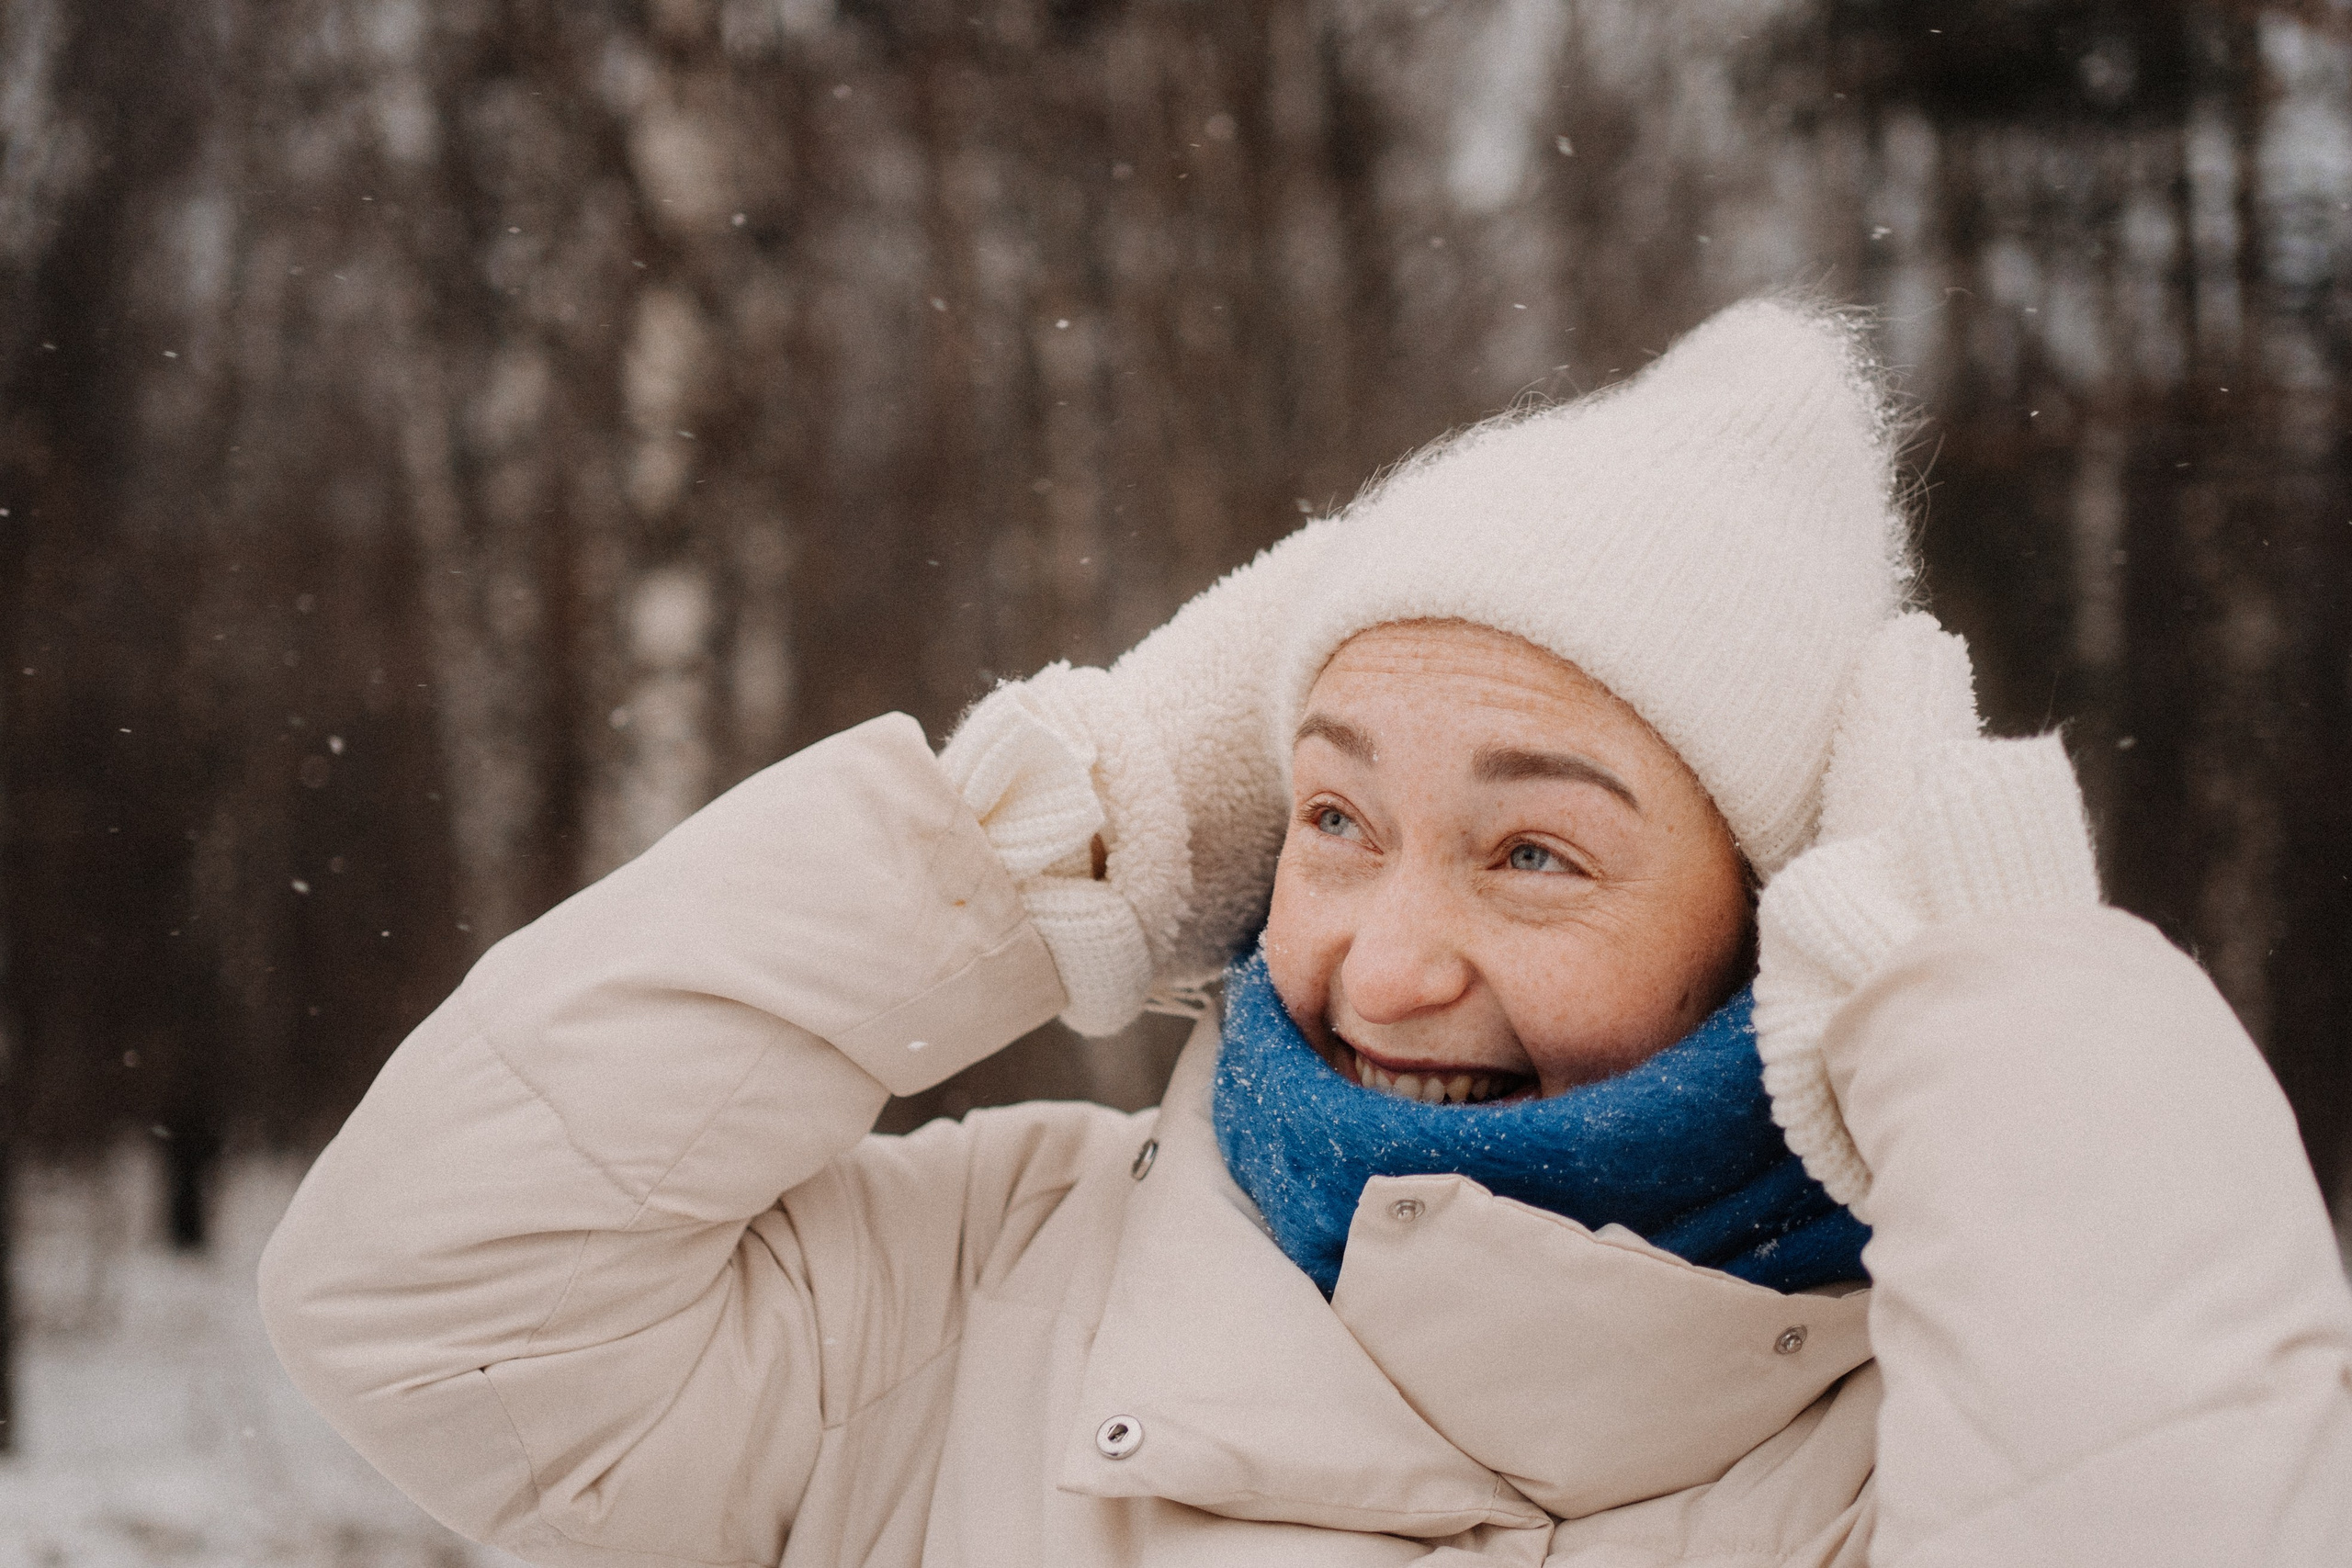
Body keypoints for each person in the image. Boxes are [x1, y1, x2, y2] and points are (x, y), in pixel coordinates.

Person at [259, 299, 2352, 1567]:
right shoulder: (985, 1291)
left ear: (1781, 919)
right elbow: (426, 1303)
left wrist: (1981, 1013)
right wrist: (1035, 833)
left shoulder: (1914, 1434)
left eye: (1534, 853)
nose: (1381, 959)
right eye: (1332, 817)